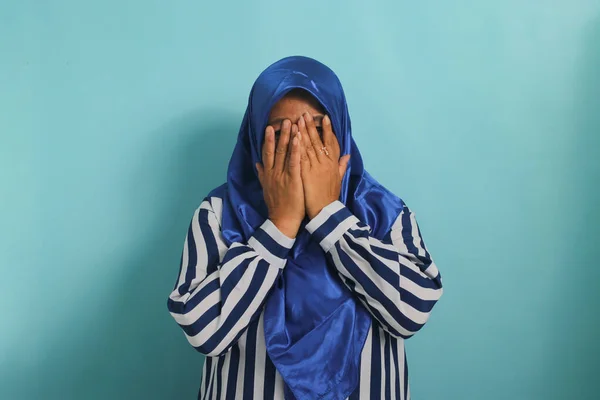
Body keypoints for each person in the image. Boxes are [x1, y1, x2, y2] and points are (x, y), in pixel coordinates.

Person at [167, 56, 443, 400]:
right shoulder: (219, 214)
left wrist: (329, 215)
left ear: (340, 132)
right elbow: (204, 331)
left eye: (315, 131)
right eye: (281, 133)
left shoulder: (383, 212)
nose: (299, 148)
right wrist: (280, 225)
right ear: (256, 139)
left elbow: (412, 312)